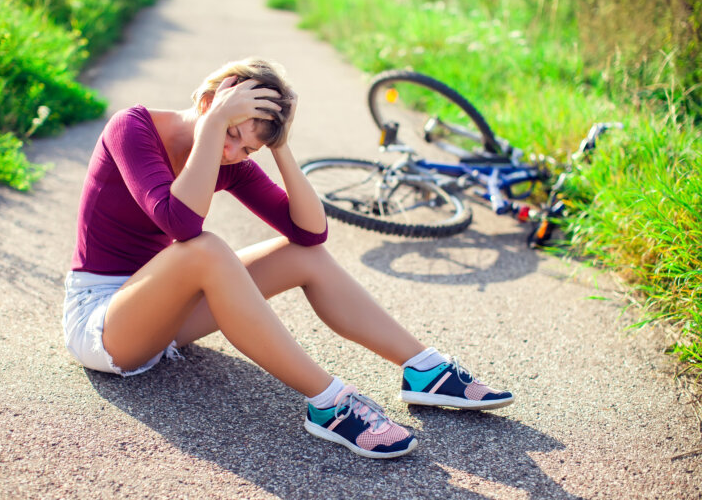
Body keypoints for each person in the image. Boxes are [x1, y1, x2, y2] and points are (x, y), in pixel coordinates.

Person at [62, 58, 514, 459]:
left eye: (247, 148)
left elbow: (310, 231)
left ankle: (424, 370)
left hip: (162, 316)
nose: (231, 152)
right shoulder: (132, 128)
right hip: (102, 321)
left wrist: (279, 146)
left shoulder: (229, 161)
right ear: (207, 101)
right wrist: (218, 122)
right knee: (204, 249)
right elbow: (179, 223)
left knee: (302, 256)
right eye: (231, 133)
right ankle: (330, 402)